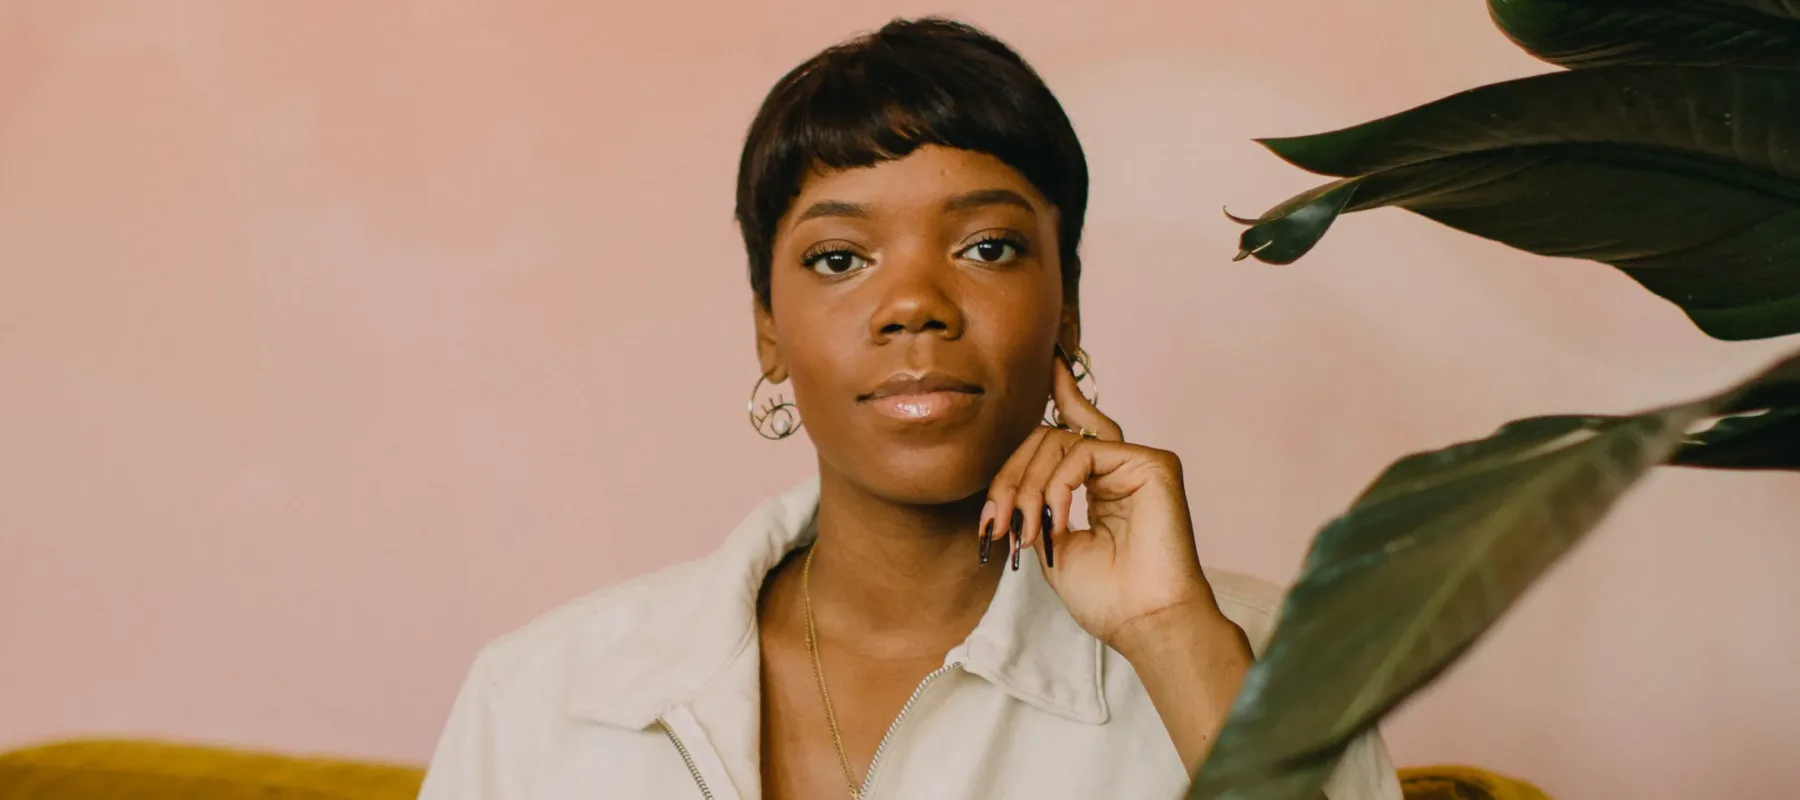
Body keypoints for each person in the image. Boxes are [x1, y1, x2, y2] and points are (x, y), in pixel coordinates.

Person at [417, 16, 1402, 800]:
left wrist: (1174, 637)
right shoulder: (544, 693)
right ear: (769, 326)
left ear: (1070, 299)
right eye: (840, 258)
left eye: (986, 247)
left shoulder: (1266, 659)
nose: (914, 305)